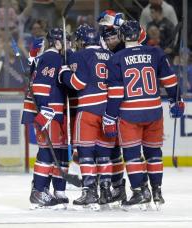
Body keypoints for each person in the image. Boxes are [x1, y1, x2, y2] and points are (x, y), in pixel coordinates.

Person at [102, 20, 185, 209]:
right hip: (154, 111)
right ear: (140, 34)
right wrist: (176, 100)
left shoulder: (116, 58)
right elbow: (170, 81)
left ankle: (139, 191)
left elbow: (115, 94)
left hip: (130, 114)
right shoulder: (155, 52)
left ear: (122, 37)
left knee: (132, 156)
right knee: (154, 153)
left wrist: (109, 117)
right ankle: (157, 191)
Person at [59, 24, 115, 209]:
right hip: (109, 109)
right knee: (104, 153)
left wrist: (64, 72)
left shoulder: (80, 55)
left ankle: (90, 190)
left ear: (82, 40)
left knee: (85, 152)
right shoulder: (111, 55)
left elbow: (78, 83)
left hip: (89, 108)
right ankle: (106, 190)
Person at [21, 28, 69, 209]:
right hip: (49, 112)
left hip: (54, 112)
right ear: (57, 42)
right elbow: (40, 87)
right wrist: (46, 111)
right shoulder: (52, 57)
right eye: (65, 41)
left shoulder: (48, 57)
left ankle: (50, 190)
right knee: (47, 152)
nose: (68, 45)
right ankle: (39, 191)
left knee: (58, 151)